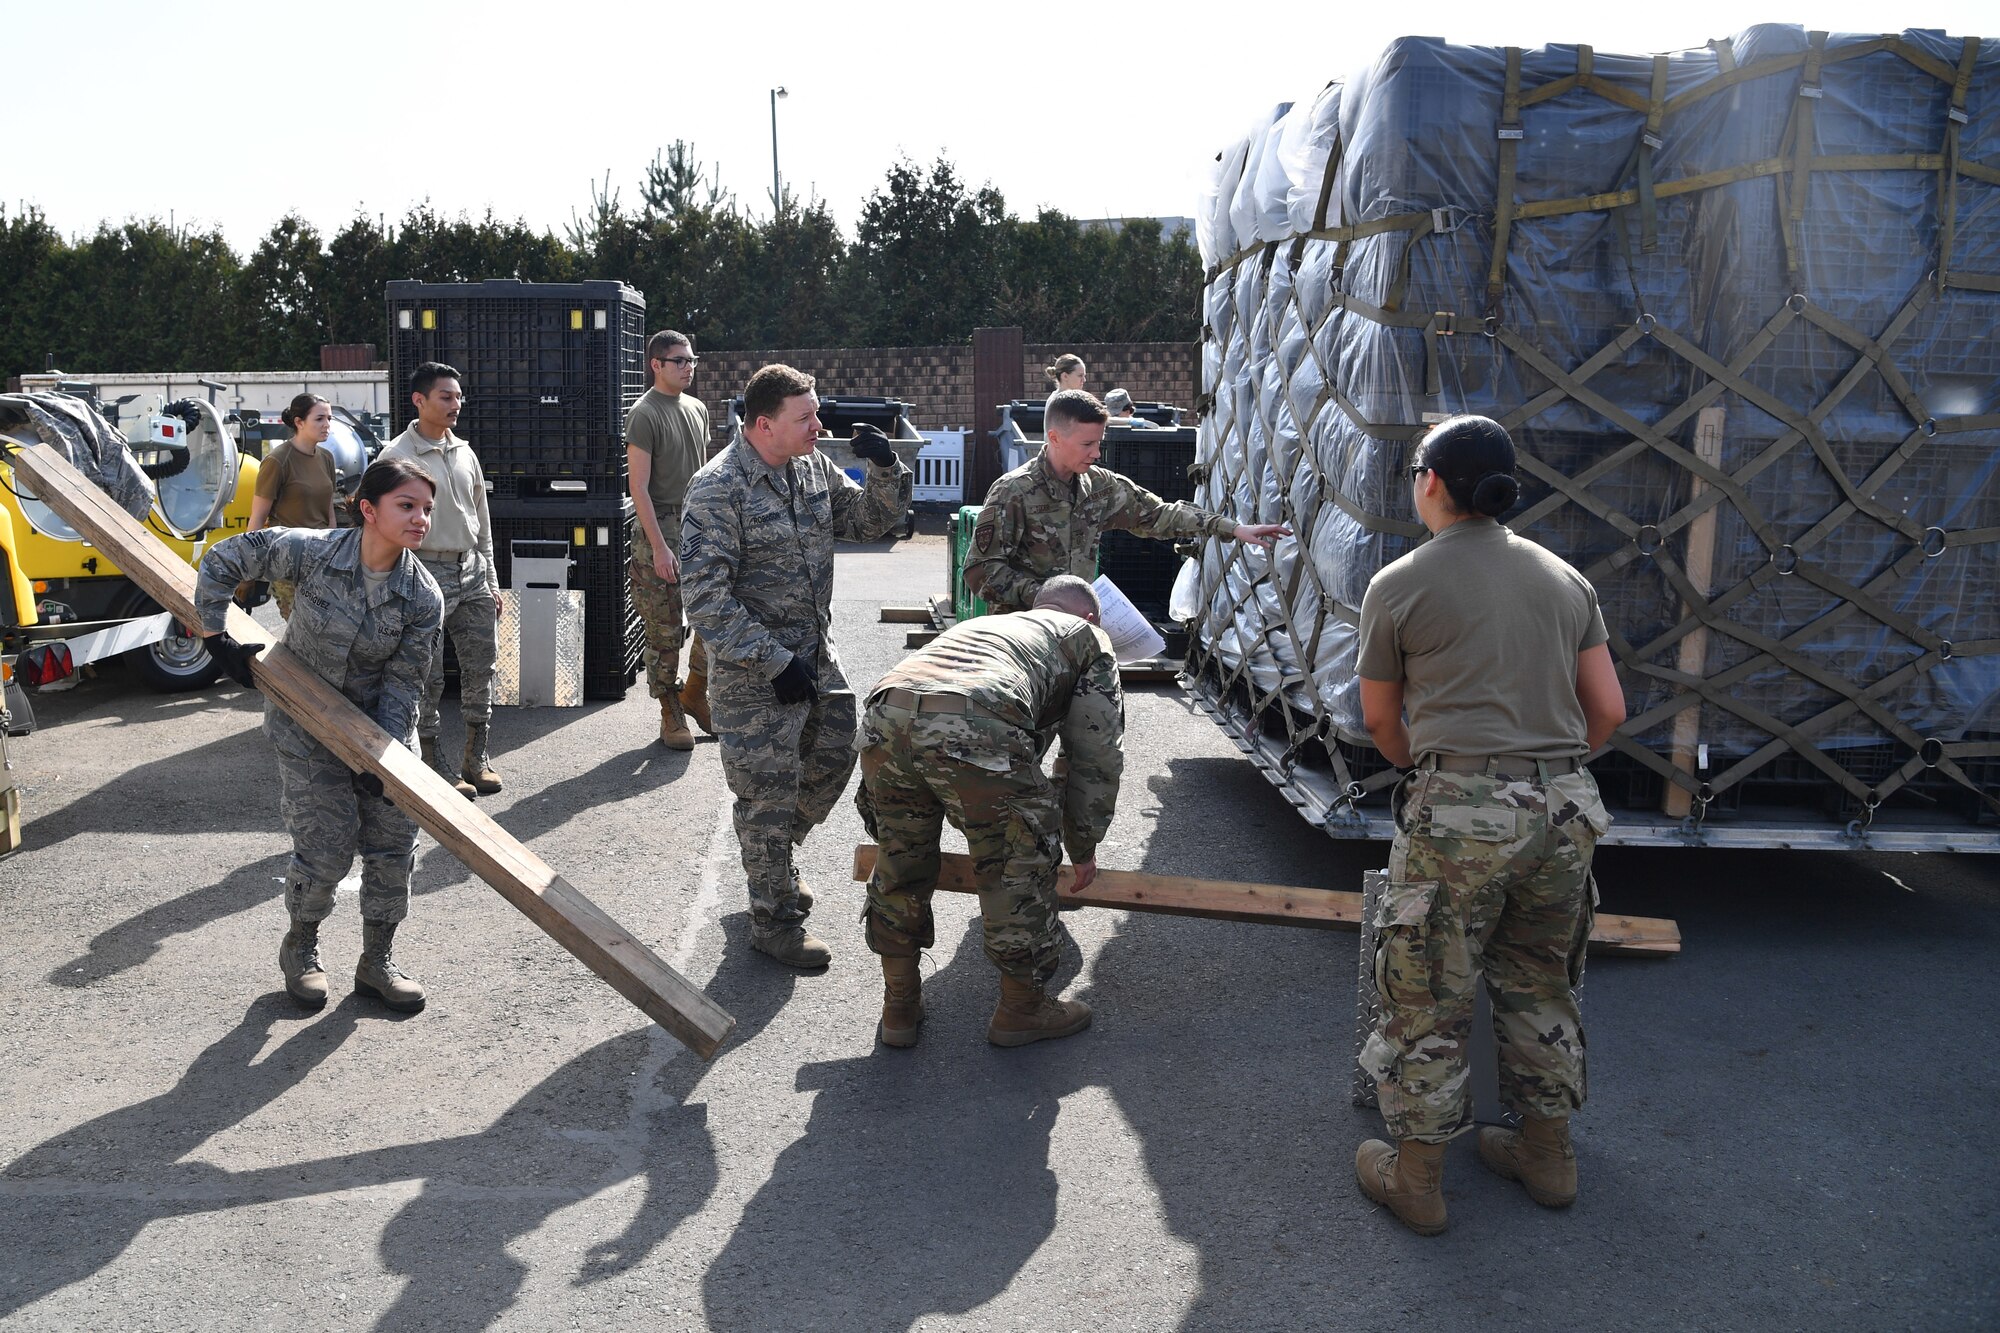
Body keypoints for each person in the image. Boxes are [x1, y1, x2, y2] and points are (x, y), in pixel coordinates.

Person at [1352, 414, 1627, 1237]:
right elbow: (1606, 709)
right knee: (1541, 979)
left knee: (1429, 990)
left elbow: (1382, 723)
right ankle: (1548, 1157)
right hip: (1565, 808)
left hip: (1461, 811)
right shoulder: (1565, 578)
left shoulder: (1399, 583)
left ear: (1431, 480)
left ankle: (1420, 1179)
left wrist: (1448, 776)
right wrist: (1546, 771)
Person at [192, 457, 445, 1014]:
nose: (421, 518)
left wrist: (388, 761)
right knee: (327, 850)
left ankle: (377, 962)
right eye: (407, 506)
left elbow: (405, 684)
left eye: (427, 508)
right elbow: (223, 558)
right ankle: (301, 947)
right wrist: (215, 634)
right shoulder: (311, 550)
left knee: (393, 847)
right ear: (368, 510)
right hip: (305, 725)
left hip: (380, 734)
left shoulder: (422, 597)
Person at [679, 363, 911, 969]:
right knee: (767, 795)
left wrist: (884, 468)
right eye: (804, 417)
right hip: (752, 673)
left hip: (814, 658)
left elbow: (870, 520)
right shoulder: (718, 488)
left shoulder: (809, 467)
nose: (818, 426)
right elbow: (705, 597)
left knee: (838, 750)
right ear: (763, 425)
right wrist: (771, 659)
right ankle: (775, 921)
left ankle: (774, 859)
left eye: (816, 414)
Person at [855, 575, 1121, 1049]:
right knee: (1015, 864)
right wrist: (1082, 845)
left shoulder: (992, 627)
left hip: (885, 713)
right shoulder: (1087, 638)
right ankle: (1022, 1010)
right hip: (972, 719)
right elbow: (1095, 753)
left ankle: (899, 1004)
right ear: (1089, 617)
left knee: (900, 859)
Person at [964, 390, 1290, 613]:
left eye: (1099, 443)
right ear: (1054, 438)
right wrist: (1045, 595)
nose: (1096, 453)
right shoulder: (1013, 492)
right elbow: (980, 570)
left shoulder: (1099, 486)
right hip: (1021, 630)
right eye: (1087, 444)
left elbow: (1160, 515)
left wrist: (1232, 529)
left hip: (1075, 629)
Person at [379, 361, 501, 800]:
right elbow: (381, 527)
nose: (457, 404)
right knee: (427, 674)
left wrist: (490, 577)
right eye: (446, 397)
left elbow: (482, 521)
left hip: (471, 571)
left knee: (481, 667)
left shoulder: (464, 451)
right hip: (422, 570)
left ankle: (476, 755)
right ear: (419, 401)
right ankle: (432, 758)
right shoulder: (396, 456)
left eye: (458, 396)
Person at [626, 330, 712, 751]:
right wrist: (659, 548)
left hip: (699, 527)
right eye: (679, 360)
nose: (688, 367)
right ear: (656, 364)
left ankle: (694, 692)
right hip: (659, 528)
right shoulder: (645, 413)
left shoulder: (697, 408)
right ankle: (669, 710)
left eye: (692, 360)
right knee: (664, 628)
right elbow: (638, 488)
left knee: (714, 616)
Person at [239, 392, 340, 618]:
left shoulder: (326, 458)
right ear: (299, 422)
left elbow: (329, 508)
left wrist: (335, 549)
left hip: (322, 558)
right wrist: (247, 572)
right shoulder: (277, 460)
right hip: (289, 560)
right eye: (319, 418)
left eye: (329, 419)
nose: (327, 425)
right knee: (299, 629)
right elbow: (257, 518)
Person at [1042, 354, 1086, 418]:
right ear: (1065, 376)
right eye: (1080, 375)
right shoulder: (1059, 403)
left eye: (1084, 376)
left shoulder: (1070, 400)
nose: (1084, 380)